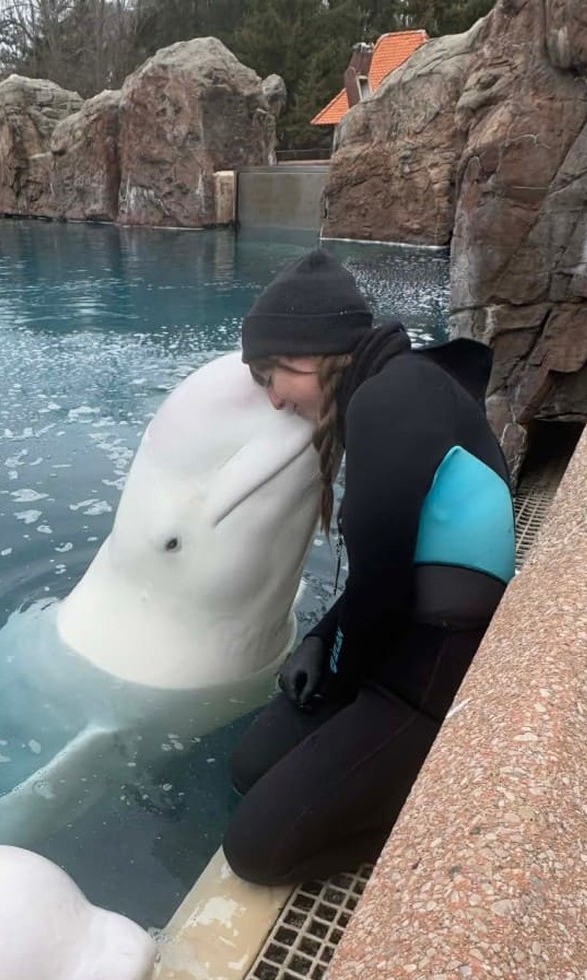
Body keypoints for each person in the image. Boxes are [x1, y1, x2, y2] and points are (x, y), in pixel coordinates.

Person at [223, 248, 516, 888]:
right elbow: (383, 571)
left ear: (315, 356)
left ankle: (427, 813)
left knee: (255, 852)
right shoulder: (398, 386)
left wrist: (334, 669)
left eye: (273, 375)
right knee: (249, 767)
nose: (273, 400)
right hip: (401, 637)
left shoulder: (390, 402)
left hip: (434, 671)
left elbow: (381, 589)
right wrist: (320, 639)